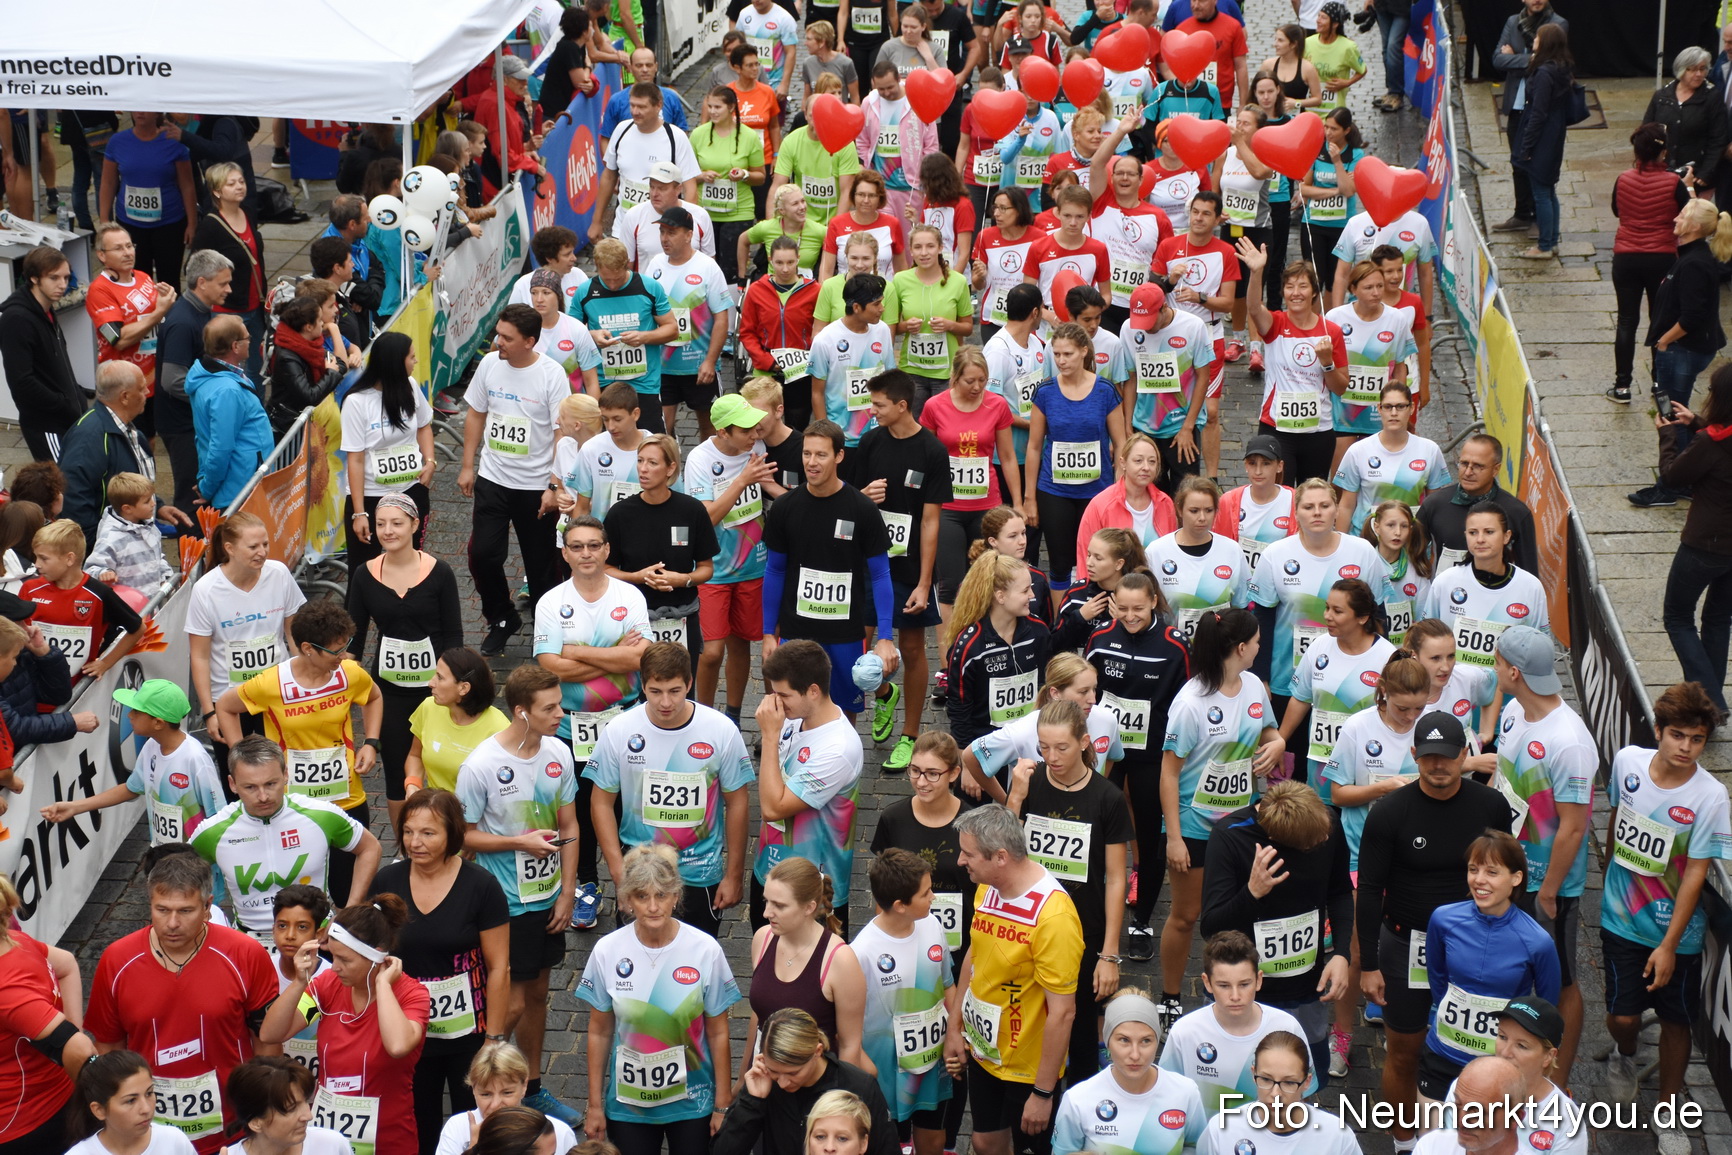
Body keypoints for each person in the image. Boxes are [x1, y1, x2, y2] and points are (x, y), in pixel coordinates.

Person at [1354, 711, 1515, 1153]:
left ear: (1465, 755)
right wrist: (1368, 965)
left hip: (1474, 946)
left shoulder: (1491, 807)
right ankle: (1405, 1142)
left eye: (1447, 756)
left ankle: (1472, 1139)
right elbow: (1368, 891)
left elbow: (1507, 876)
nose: (1438, 766)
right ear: (1414, 756)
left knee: (1478, 1051)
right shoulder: (1389, 812)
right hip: (1407, 944)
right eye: (1428, 757)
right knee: (1404, 1050)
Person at [1599, 682, 1730, 1155]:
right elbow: (1616, 816)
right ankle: (1625, 1052)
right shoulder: (1628, 762)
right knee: (1621, 1015)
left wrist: (1670, 945)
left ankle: (1670, 1113)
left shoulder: (1711, 796)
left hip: (1678, 933)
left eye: (1697, 740)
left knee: (1678, 1023)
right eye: (1678, 735)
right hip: (1619, 918)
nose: (1686, 748)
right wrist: (1609, 859)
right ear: (1658, 730)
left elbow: (1696, 872)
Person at [85, 851, 279, 1153]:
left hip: (232, 1132)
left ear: (207, 907)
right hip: (148, 1136)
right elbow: (109, 1050)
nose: (172, 923)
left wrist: (262, 1110)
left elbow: (267, 1043)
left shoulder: (246, 954)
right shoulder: (117, 960)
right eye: (162, 910)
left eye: (185, 911)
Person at [455, 664, 581, 1121]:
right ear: (521, 712)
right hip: (506, 902)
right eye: (550, 708)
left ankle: (531, 1087)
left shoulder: (559, 754)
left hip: (547, 897)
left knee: (539, 993)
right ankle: (475, 1075)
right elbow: (463, 836)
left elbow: (569, 825)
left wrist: (568, 891)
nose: (560, 715)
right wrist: (517, 842)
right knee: (512, 999)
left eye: (560, 704)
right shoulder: (482, 765)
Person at [1477, 625, 1592, 1082]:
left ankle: (1556, 1083)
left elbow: (1575, 826)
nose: (1494, 667)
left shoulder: (1570, 741)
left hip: (1547, 884)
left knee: (1560, 980)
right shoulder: (1513, 712)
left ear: (1515, 671)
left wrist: (1548, 891)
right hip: (1506, 868)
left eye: (1499, 661)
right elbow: (1501, 779)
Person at [369, 789, 511, 1155]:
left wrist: (493, 1040)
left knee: (474, 1126)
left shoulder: (481, 886)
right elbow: (374, 954)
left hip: (468, 1034)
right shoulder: (387, 882)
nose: (415, 842)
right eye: (408, 831)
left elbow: (498, 967)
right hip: (410, 1032)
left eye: (428, 833)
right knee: (418, 1124)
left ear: (453, 834)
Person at [213, 599, 383, 899]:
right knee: (299, 896)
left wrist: (371, 741)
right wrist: (241, 758)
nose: (343, 655)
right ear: (308, 648)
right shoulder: (273, 683)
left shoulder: (349, 674)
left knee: (348, 892)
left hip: (346, 798)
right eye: (335, 650)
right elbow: (225, 706)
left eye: (346, 646)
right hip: (293, 806)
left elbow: (373, 697)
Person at [577, 842, 741, 1148]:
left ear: (676, 896)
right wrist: (595, 1105)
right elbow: (599, 1031)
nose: (653, 907)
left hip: (693, 1103)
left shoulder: (705, 950)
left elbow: (719, 1032)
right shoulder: (607, 951)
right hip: (628, 1107)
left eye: (661, 895)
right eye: (642, 896)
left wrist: (722, 1103)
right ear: (627, 901)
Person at [1005, 700, 1136, 1079]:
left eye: (1061, 747)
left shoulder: (1107, 798)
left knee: (1078, 1035)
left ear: (1084, 742)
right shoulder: (1030, 783)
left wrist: (1109, 954)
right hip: (1029, 925)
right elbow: (1002, 851)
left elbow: (1115, 878)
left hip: (1083, 932)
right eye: (1043, 747)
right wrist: (1015, 795)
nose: (1051, 756)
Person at [586, 641, 753, 938]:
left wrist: (734, 874)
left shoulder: (721, 730)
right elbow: (601, 802)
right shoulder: (619, 730)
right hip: (640, 874)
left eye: (675, 691)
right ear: (642, 684)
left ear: (690, 683)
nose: (665, 702)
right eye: (655, 692)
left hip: (699, 874)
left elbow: (737, 802)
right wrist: (617, 872)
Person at [944, 804, 1081, 1155]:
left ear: (1001, 857)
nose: (961, 861)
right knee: (984, 1141)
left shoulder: (1054, 918)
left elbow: (1063, 1012)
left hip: (1027, 1067)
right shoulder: (987, 885)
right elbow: (973, 958)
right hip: (985, 1050)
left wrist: (1043, 1093)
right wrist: (955, 1028)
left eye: (968, 853)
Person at [534, 515, 651, 925]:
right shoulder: (551, 602)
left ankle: (633, 881)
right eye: (577, 546)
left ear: (606, 550)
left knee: (627, 806)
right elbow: (551, 666)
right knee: (579, 808)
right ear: (565, 553)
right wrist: (613, 654)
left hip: (627, 722)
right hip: (570, 725)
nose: (586, 553)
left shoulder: (629, 597)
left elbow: (639, 658)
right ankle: (586, 882)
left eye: (593, 545)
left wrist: (577, 651)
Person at [260, 895, 431, 1155]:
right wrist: (299, 983)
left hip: (387, 1139)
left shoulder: (412, 994)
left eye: (345, 960)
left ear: (376, 957)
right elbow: (271, 1033)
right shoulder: (327, 985)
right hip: (328, 1136)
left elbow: (397, 1046)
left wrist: (383, 985)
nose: (334, 967)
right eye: (333, 956)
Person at [848, 371, 954, 763]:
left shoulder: (932, 451)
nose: (871, 410)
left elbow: (930, 522)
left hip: (909, 566)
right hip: (868, 562)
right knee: (858, 640)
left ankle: (910, 734)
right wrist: (862, 496)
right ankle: (882, 693)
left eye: (877, 405)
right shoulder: (871, 441)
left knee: (910, 647)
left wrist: (925, 583)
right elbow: (850, 500)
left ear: (902, 406)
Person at [762, 422, 901, 720]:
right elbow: (774, 571)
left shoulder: (862, 509)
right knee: (793, 709)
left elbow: (880, 574)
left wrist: (886, 637)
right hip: (796, 630)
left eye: (821, 455)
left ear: (839, 456)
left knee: (843, 714)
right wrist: (767, 634)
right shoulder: (785, 507)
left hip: (845, 633)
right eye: (807, 454)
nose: (812, 463)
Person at [458, 305, 571, 655]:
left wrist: (554, 485)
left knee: (541, 569)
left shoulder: (552, 375)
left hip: (536, 488)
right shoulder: (491, 364)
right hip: (493, 479)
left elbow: (561, 433)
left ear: (530, 341)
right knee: (483, 554)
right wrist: (467, 465)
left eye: (507, 338)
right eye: (498, 334)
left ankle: (547, 630)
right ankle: (501, 617)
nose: (498, 342)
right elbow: (476, 412)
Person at [1417, 829, 1560, 1102]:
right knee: (1433, 1142)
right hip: (1442, 1052)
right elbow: (1436, 978)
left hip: (1500, 1065)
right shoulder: (1443, 919)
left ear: (1516, 878)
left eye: (1492, 872)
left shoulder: (1538, 942)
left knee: (1488, 1142)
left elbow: (1546, 1008)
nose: (1479, 881)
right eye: (1473, 870)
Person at [191, 735, 381, 938]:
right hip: (250, 944)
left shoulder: (320, 815)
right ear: (232, 784)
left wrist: (349, 913)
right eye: (250, 787)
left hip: (315, 938)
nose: (263, 796)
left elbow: (370, 848)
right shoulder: (213, 831)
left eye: (271, 784)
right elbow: (175, 876)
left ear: (285, 774)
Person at [347, 496, 463, 828]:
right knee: (397, 767)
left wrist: (450, 683)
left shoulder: (440, 573)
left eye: (397, 523)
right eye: (381, 523)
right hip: (389, 691)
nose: (388, 531)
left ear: (415, 525)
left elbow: (454, 635)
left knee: (441, 763)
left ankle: (448, 833)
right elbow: (354, 638)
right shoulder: (363, 575)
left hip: (435, 689)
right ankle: (405, 843)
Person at [751, 641, 866, 931]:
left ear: (813, 691)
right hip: (770, 874)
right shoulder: (792, 720)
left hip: (812, 893)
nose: (775, 703)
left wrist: (769, 737)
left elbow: (773, 808)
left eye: (783, 695)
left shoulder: (838, 748)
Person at [1247, 478, 1389, 710]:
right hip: (1285, 681)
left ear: (1336, 510)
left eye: (1324, 506)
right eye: (1308, 507)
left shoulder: (1362, 551)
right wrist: (1260, 676)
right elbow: (1262, 620)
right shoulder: (1275, 555)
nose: (1317, 513)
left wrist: (1386, 672)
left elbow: (1379, 617)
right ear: (1296, 513)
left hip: (1352, 683)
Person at [1629, 198, 1732, 507]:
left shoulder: (1696, 263)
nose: (1675, 218)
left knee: (1673, 413)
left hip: (1681, 350)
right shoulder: (1690, 256)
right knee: (1676, 409)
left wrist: (1664, 341)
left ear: (1695, 227)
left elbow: (1693, 316)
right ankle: (1683, 478)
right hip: (1679, 349)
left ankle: (1673, 485)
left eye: (1683, 215)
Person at [851, 850, 954, 1155]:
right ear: (900, 906)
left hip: (932, 1063)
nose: (934, 897)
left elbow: (948, 983)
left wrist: (955, 1033)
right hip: (885, 1073)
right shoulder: (862, 952)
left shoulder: (932, 925)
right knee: (888, 1144)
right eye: (926, 893)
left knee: (934, 1139)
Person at [39, 679, 220, 845]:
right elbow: (131, 788)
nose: (129, 716)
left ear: (158, 723)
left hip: (195, 864)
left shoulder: (195, 759)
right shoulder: (151, 746)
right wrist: (75, 807)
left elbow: (218, 817)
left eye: (136, 711)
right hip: (162, 855)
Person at [1160, 931, 1317, 1116]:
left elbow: (1303, 1097)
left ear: (1259, 980)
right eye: (1224, 985)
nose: (1235, 996)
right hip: (1203, 1143)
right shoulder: (1185, 1032)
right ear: (1207, 983)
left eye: (1244, 984)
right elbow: (1166, 1097)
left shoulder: (1288, 1027)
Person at [713, 1010, 899, 1155]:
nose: (784, 1083)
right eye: (775, 1072)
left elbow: (886, 1148)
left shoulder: (858, 1086)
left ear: (817, 1051)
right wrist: (751, 1103)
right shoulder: (763, 1083)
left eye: (794, 1072)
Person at [0, 870, 94, 1155]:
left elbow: (79, 1048)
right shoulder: (17, 942)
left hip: (21, 1127)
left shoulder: (7, 992)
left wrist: (95, 1103)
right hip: (51, 1106)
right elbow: (65, 964)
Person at [1236, 245, 1347, 485]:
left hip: (1318, 432)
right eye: (1290, 286)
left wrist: (1327, 364)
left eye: (1303, 286)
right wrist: (1256, 272)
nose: (1296, 293)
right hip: (1277, 430)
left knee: (1311, 499)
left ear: (1315, 293)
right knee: (1279, 496)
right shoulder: (1276, 323)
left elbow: (1341, 388)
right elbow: (1254, 307)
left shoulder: (1332, 332)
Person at [1024, 322, 1125, 584]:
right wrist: (1029, 498)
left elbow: (1121, 443)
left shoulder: (1105, 390)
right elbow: (1034, 447)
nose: (1061, 360)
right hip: (1055, 491)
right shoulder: (1045, 392)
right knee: (1058, 564)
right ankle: (1062, 622)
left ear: (1083, 351)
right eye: (1056, 354)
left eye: (1067, 354)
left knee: (1098, 563)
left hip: (1097, 492)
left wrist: (1120, 488)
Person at [1051, 989, 1205, 1155]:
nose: (1135, 1054)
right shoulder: (1077, 1100)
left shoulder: (1186, 1092)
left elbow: (1197, 1147)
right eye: (1124, 1040)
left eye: (1146, 1041)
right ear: (1108, 1042)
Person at [1284, 578, 1397, 799]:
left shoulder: (1386, 656)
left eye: (1337, 611)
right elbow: (1300, 698)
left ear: (1362, 618)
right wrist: (1281, 740)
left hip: (1364, 766)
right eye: (1327, 607)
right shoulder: (1319, 646)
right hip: (1320, 767)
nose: (1327, 616)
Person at [1323, 650, 1431, 877]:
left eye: (1419, 708)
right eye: (1402, 708)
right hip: (1361, 848)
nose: (1411, 716)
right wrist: (1384, 789)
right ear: (1383, 690)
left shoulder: (1432, 723)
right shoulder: (1357, 726)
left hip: (1414, 848)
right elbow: (1337, 795)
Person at [874, 732, 980, 962]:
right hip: (906, 942)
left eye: (932, 774)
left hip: (962, 948)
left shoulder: (973, 823)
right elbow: (883, 891)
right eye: (915, 770)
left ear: (954, 773)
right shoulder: (892, 818)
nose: (921, 782)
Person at [1441, 998, 1588, 1155]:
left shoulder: (1567, 1121)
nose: (1505, 1053)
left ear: (1548, 1057)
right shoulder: (1465, 1088)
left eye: (1522, 1046)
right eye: (1502, 1037)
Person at [58, 361, 185, 541]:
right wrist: (101, 548)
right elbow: (74, 502)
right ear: (124, 397)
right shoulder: (88, 439)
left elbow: (134, 482)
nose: (147, 393)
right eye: (141, 389)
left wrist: (158, 506)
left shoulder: (131, 431)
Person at [1607, 123, 1688, 405]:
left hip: (1626, 256)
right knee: (1660, 320)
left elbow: (1618, 210)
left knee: (1627, 320)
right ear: (1662, 151)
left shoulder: (1623, 179)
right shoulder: (1673, 182)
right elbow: (1686, 213)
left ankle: (1622, 386)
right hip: (1662, 258)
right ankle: (1659, 384)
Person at [1419, 502, 1550, 671]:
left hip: (1508, 692)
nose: (1480, 539)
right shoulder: (1445, 582)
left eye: (1489, 532)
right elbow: (1425, 638)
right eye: (1473, 533)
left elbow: (1541, 650)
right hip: (1455, 689)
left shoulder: (1530, 587)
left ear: (1506, 536)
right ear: (1465, 535)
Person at [342, 332, 436, 565]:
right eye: (411, 357)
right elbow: (354, 459)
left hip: (410, 491)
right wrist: (359, 513)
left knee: (411, 564)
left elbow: (424, 426)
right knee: (364, 569)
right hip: (371, 496)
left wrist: (430, 462)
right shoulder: (356, 402)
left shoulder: (410, 386)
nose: (416, 361)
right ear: (395, 362)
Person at [945, 550, 1051, 752]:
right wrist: (967, 762)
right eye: (1025, 590)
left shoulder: (1039, 632)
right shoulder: (969, 646)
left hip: (1031, 742)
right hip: (986, 747)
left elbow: (1045, 685)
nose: (1032, 595)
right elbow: (959, 709)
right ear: (1000, 596)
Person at [1196, 1030, 1360, 1154]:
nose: (1275, 1093)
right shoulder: (1221, 1130)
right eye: (1266, 1080)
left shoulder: (1337, 1137)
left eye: (1288, 1082)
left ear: (1307, 1082)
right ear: (1254, 1074)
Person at [21, 518, 144, 681]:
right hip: (33, 686)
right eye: (36, 557)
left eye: (44, 558)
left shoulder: (98, 593)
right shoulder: (30, 589)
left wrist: (105, 663)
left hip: (77, 692)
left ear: (69, 559)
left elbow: (138, 628)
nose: (37, 564)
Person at [155, 248, 232, 507]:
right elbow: (172, 380)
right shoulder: (183, 322)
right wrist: (214, 399)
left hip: (191, 420)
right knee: (191, 493)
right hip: (181, 426)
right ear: (202, 283)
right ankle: (191, 545)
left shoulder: (200, 311)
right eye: (223, 283)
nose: (229, 289)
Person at [0, 246, 88, 461]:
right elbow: (22, 382)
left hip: (66, 420)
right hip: (47, 425)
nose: (63, 285)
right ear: (33, 278)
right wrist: (63, 403)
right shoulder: (17, 319)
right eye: (54, 278)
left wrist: (76, 395)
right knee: (62, 487)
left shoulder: (46, 309)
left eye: (66, 277)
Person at [1320, 262, 1414, 460]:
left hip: (1378, 415)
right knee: (1339, 481)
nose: (1376, 292)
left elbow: (1399, 367)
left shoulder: (1396, 318)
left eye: (1380, 286)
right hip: (1342, 414)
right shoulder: (1335, 317)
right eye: (1368, 287)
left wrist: (1399, 406)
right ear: (1353, 289)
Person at [1491, 0, 1568, 235]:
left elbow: (1549, 62)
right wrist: (1532, 59)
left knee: (1538, 168)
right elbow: (1497, 59)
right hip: (1517, 104)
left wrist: (1519, 58)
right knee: (1518, 163)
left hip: (1540, 108)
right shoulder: (1513, 22)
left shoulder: (1558, 24)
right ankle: (1521, 214)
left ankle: (1540, 220)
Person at [591, 84, 700, 245]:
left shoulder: (676, 137)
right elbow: (608, 176)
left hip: (661, 231)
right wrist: (596, 221)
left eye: (642, 107)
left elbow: (690, 188)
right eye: (632, 105)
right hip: (623, 228)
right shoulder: (621, 130)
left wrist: (682, 228)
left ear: (658, 106)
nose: (635, 111)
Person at [1333, 384, 1450, 533]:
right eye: (1388, 407)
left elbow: (1435, 506)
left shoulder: (1429, 450)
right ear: (1379, 409)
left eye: (1400, 406)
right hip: (1368, 542)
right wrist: (1342, 547)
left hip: (1411, 541)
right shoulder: (1358, 451)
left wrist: (1432, 547)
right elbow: (1346, 506)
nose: (1394, 413)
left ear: (1412, 408)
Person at [883, 226, 975, 413]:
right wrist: (906, 326)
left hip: (947, 371)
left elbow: (968, 328)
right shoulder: (900, 280)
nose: (924, 253)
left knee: (945, 426)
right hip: (912, 370)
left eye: (930, 246)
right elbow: (891, 327)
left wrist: (950, 325)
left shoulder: (958, 281)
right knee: (914, 426)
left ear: (940, 248)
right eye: (918, 247)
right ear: (911, 250)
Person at [1416, 434, 1538, 573]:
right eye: (1464, 463)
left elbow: (1528, 572)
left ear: (1496, 469)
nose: (1468, 472)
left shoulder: (1517, 513)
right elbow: (1412, 556)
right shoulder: (1434, 504)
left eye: (1478, 466)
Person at [86, 222, 175, 413]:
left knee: (150, 438)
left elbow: (155, 319)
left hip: (152, 376)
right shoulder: (99, 290)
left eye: (129, 246)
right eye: (118, 248)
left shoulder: (143, 277)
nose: (127, 253)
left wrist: (166, 301)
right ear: (101, 255)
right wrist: (159, 312)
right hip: (124, 385)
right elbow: (116, 339)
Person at [189, 162, 268, 377]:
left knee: (258, 369)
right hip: (229, 310)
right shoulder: (211, 226)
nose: (239, 186)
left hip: (256, 306)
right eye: (231, 183)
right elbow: (195, 266)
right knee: (234, 370)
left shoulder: (248, 212)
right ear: (216, 191)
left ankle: (256, 409)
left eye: (241, 181)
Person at [99, 112, 197, 284]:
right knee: (135, 281)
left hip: (169, 225)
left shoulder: (173, 143)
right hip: (130, 225)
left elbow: (187, 185)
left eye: (145, 108)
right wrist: (104, 220)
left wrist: (192, 223)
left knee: (169, 281)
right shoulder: (117, 142)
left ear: (158, 112)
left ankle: (168, 311)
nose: (140, 112)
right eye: (135, 107)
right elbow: (108, 182)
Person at [188, 315, 273, 508]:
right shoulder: (227, 390)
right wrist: (207, 488)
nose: (251, 341)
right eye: (247, 338)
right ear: (235, 346)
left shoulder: (218, 377)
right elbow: (221, 447)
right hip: (241, 489)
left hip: (240, 483)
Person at [1149, 476, 1248, 640]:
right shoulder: (1157, 551)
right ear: (1180, 510)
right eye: (1194, 511)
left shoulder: (1232, 550)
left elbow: (1241, 606)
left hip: (1220, 652)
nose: (1202, 517)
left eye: (1209, 510)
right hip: (1174, 652)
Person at [434, 1043, 579, 1155]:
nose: (496, 1105)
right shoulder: (458, 1129)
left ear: (524, 1086)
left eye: (507, 1093)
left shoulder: (559, 1132)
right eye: (486, 1094)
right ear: (473, 1089)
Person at [1510, 24, 1575, 261]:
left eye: (1538, 36)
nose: (1534, 39)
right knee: (1548, 190)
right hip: (1553, 133)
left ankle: (1545, 245)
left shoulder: (1546, 73)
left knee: (1541, 191)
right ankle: (1551, 240)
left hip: (1543, 137)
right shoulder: (1560, 68)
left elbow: (1538, 113)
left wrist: (1526, 146)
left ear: (1545, 41)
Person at [404, 649, 508, 795]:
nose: (430, 683)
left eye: (440, 677)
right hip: (436, 812)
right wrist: (413, 784)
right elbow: (415, 756)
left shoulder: (499, 730)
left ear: (464, 688)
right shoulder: (429, 707)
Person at [225, 1054, 369, 1155]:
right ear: (256, 1122)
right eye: (291, 1109)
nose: (308, 1116)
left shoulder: (333, 1144)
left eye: (306, 1102)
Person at [65, 1050, 199, 1155]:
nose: (146, 1109)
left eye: (149, 1093)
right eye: (131, 1101)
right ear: (99, 1110)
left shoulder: (174, 1140)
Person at [1643, 46, 1729, 201]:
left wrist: (1706, 172)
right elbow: (1646, 132)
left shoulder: (1712, 97)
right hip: (1662, 172)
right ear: (1681, 70)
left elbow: (1718, 139)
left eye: (1702, 69)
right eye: (1692, 69)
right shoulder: (1662, 96)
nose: (1698, 74)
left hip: (1695, 175)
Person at [858, 63, 940, 225]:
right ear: (873, 84)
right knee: (883, 236)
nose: (886, 93)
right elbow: (862, 140)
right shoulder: (869, 103)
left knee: (909, 237)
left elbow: (931, 145)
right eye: (881, 89)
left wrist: (925, 177)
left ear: (898, 79)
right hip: (881, 186)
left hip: (911, 186)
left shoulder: (917, 99)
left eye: (890, 87)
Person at [85, 471, 173, 593]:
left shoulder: (150, 528)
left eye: (152, 498)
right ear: (127, 509)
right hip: (129, 607)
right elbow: (90, 569)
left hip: (152, 605)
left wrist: (167, 577)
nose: (153, 504)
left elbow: (157, 557)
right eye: (147, 501)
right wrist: (103, 573)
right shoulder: (111, 538)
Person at [1303, 4, 1365, 114]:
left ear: (1335, 24)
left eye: (1323, 18)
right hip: (1310, 111)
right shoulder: (1308, 43)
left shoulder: (1348, 47)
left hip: (1334, 112)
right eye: (1318, 16)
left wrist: (1347, 82)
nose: (1318, 20)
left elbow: (1362, 70)